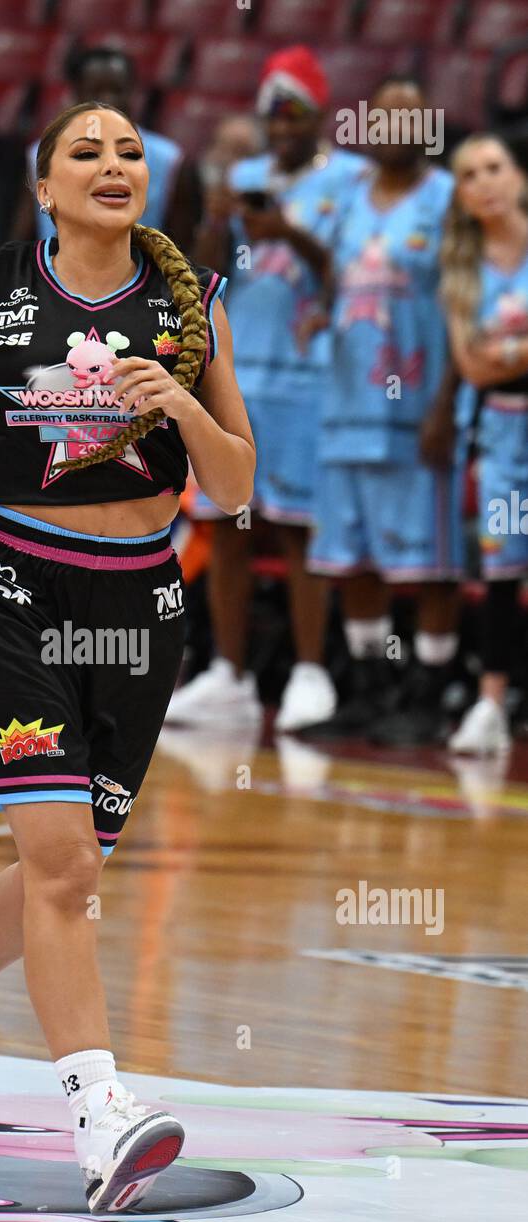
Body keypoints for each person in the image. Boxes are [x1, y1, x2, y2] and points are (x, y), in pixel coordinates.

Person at [0, 103, 254, 1212]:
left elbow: (232, 488)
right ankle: (99, 1111)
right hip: (7, 585)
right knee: (66, 869)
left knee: (68, 860)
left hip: (139, 603)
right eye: (84, 152)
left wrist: (180, 399)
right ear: (44, 186)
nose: (111, 165)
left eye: (129, 151)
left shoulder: (190, 315)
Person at [171, 47, 365, 733]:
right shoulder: (243, 174)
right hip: (238, 371)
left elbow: (354, 273)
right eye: (272, 116)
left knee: (294, 526)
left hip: (308, 374)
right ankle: (230, 675)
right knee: (226, 524)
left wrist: (292, 234)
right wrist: (221, 222)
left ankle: (311, 669)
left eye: (295, 115)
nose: (281, 128)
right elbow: (211, 275)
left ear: (318, 116)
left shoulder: (350, 179)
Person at [305, 76, 463, 746]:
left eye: (409, 116)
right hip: (345, 403)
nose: (394, 127)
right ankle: (368, 689)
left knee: (427, 560)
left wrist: (448, 405)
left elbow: (465, 300)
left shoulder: (449, 198)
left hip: (415, 405)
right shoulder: (345, 199)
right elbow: (337, 280)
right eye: (383, 116)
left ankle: (428, 695)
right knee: (354, 556)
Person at [442, 135, 528, 755]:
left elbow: (487, 352)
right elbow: (471, 366)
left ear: (519, 176)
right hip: (500, 426)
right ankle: (491, 704)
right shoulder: (462, 268)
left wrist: (504, 352)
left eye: (495, 168)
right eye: (470, 174)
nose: (485, 183)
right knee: (501, 567)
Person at [12, 47, 201, 251]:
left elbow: (183, 248)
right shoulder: (41, 154)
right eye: (96, 91)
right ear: (75, 94)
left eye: (117, 90)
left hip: (141, 279)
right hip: (56, 280)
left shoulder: (169, 160)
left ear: (133, 93)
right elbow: (23, 237)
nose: (108, 101)